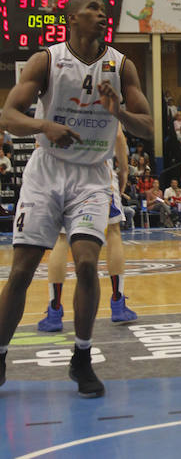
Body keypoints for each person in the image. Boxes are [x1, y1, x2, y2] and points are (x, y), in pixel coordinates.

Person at [0, 0, 153, 398]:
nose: (102, 16)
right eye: (93, 10)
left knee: (87, 264)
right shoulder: (46, 61)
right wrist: (43, 126)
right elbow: (8, 116)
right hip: (47, 171)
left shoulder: (122, 66)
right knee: (20, 271)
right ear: (71, 17)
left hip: (92, 175)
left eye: (104, 11)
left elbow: (149, 128)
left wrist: (118, 111)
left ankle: (82, 358)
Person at [36, 124, 140, 334]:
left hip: (61, 172)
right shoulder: (102, 94)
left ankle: (54, 310)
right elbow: (118, 134)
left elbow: (40, 143)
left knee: (62, 238)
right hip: (97, 171)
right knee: (113, 232)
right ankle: (118, 303)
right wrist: (124, 169)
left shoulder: (55, 95)